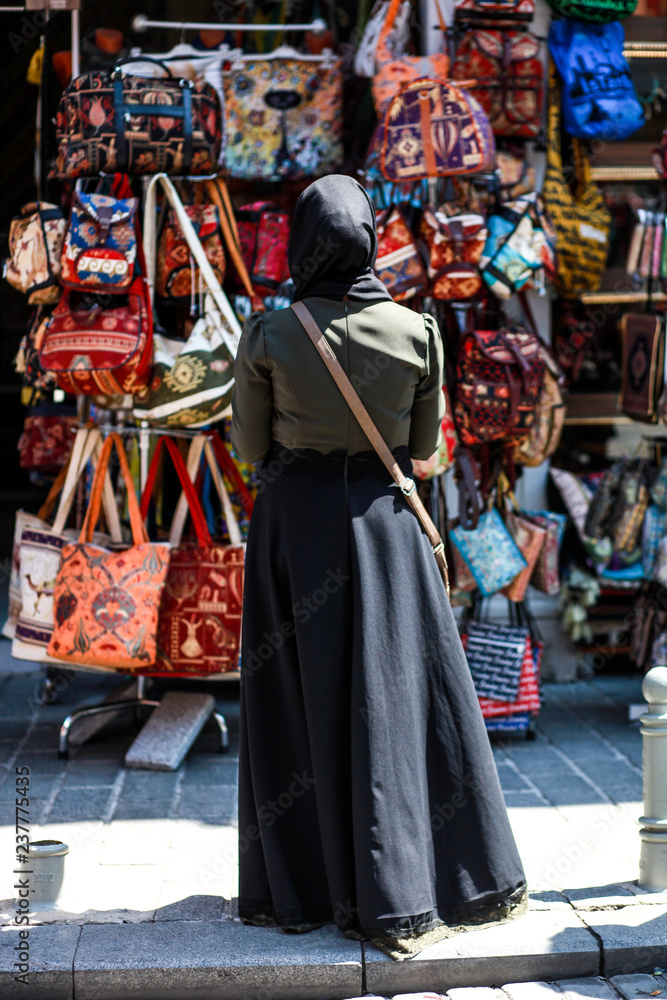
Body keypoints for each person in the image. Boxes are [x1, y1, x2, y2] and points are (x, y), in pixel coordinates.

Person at [231, 174, 526, 960]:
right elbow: (424, 456)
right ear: (368, 239)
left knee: (296, 700)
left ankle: (304, 887)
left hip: (295, 528)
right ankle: (413, 885)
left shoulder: (269, 333)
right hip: (387, 528)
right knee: (396, 696)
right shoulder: (417, 330)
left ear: (301, 241)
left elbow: (249, 451)